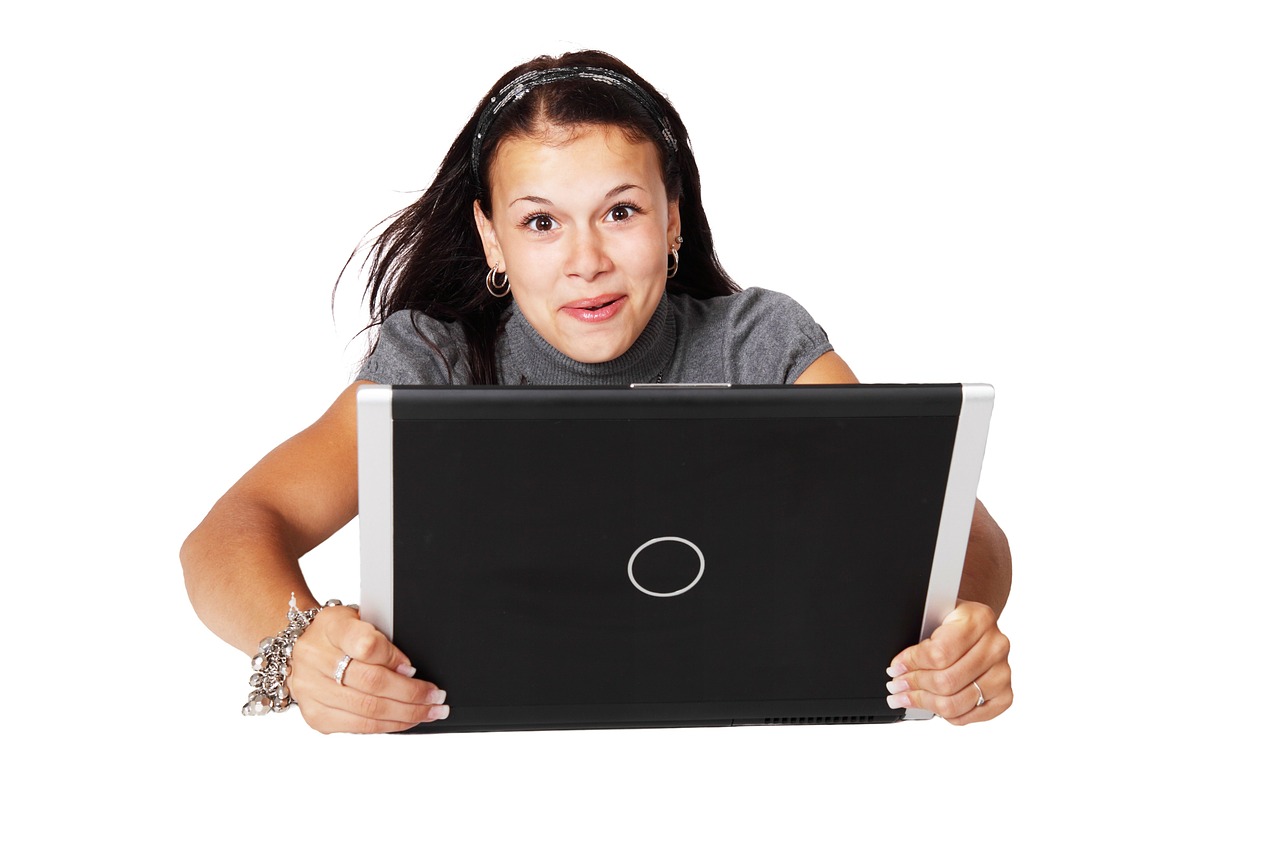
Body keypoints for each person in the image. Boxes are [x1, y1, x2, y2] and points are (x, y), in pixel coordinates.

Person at [181, 50, 1013, 734]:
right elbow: (228, 533)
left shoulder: (756, 343)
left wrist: (962, 629)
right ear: (492, 239)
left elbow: (951, 525)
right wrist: (301, 645)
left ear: (672, 217)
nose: (586, 261)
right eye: (541, 222)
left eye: (620, 212)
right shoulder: (434, 361)